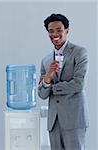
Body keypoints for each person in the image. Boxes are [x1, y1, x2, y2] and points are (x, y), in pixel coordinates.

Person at [38, 13, 89, 150]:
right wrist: (48, 76)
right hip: (53, 121)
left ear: (67, 30)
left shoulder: (79, 52)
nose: (55, 34)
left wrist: (52, 88)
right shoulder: (46, 60)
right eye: (51, 31)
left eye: (59, 30)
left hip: (74, 119)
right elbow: (42, 94)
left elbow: (79, 84)